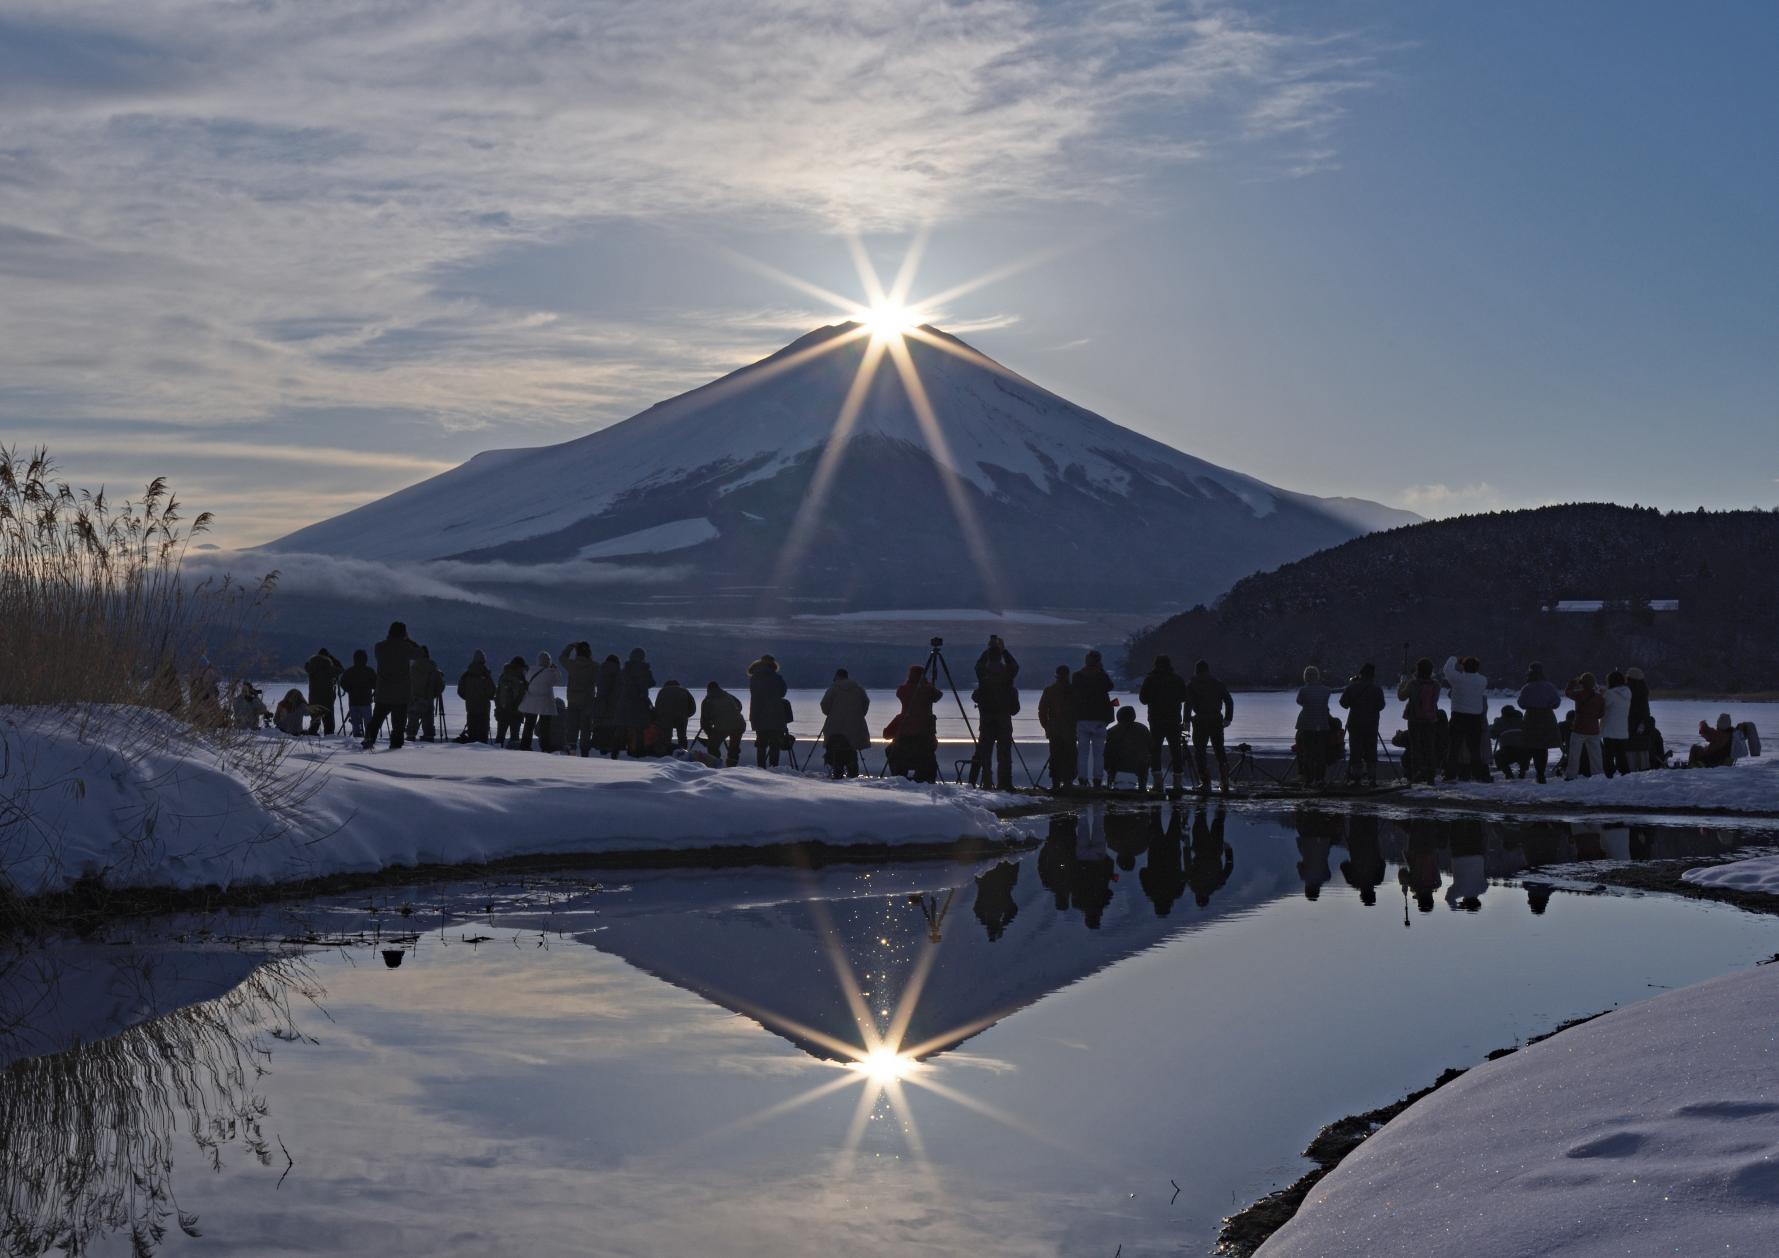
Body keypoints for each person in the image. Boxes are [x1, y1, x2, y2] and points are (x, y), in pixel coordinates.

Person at [968, 636, 1020, 790]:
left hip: (987, 719)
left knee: (985, 753)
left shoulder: (984, 675)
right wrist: (1004, 651)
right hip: (1004, 719)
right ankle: (1005, 783)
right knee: (1004, 754)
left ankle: (987, 782)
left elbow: (978, 666)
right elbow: (1015, 666)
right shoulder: (1006, 675)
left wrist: (988, 650)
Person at [363, 621, 421, 750]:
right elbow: (420, 654)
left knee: (376, 720)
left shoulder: (380, 647)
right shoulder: (406, 647)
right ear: (403, 633)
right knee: (399, 725)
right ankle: (395, 746)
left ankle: (368, 740)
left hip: (383, 691)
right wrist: (409, 640)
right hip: (401, 693)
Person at [1139, 655, 1188, 793]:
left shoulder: (1150, 679)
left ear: (1156, 665)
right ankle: (1177, 783)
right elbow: (1184, 697)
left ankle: (1158, 783)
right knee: (1176, 751)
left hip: (1156, 720)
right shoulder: (1177, 679)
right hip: (1174, 720)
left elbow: (1143, 699)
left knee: (1155, 752)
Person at [1185, 659, 1235, 796]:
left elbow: (1188, 705)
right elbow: (1229, 701)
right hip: (1216, 720)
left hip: (1200, 721)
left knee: (1200, 752)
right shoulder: (1217, 683)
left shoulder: (1192, 685)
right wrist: (1228, 718)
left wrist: (1186, 723)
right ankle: (1225, 781)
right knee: (1220, 750)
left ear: (1196, 671)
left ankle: (1205, 783)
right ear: (1208, 670)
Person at [1440, 655, 1491, 783]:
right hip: (1475, 718)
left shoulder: (1457, 679)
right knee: (1475, 748)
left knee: (1454, 747)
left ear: (1463, 667)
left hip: (1458, 716)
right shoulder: (1482, 680)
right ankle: (1478, 774)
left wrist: (1454, 659)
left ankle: (1450, 775)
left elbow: (1447, 669)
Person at [1070, 649, 1115, 788]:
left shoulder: (1077, 676)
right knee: (1098, 754)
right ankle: (1097, 780)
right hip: (1099, 720)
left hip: (1082, 718)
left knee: (1082, 753)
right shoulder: (1102, 676)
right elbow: (1110, 686)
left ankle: (1082, 779)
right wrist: (1102, 670)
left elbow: (1074, 692)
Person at [891, 663, 942, 782]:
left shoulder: (903, 690)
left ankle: (900, 775)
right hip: (924, 736)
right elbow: (938, 695)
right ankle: (925, 777)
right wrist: (927, 684)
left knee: (894, 751)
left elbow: (899, 693)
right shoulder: (927, 690)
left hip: (905, 735)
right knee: (927, 753)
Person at [819, 668, 872, 779]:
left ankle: (837, 771)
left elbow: (824, 706)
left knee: (835, 748)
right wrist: (858, 715)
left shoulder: (833, 689)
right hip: (855, 726)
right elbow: (865, 704)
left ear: (837, 677)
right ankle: (852, 772)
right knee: (852, 747)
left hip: (835, 726)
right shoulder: (859, 689)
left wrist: (833, 713)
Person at [1396, 658, 1442, 785]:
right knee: (1429, 747)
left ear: (1418, 670)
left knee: (1415, 747)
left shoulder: (1413, 684)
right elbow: (1434, 700)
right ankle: (1430, 776)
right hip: (1430, 719)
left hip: (1414, 719)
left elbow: (1401, 697)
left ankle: (1416, 774)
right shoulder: (1436, 685)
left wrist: (1402, 684)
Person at [1339, 663, 1386, 787]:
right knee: (1371, 750)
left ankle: (1356, 777)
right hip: (1371, 724)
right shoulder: (1377, 689)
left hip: (1355, 723)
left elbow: (1343, 703)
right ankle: (1372, 777)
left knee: (1356, 750)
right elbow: (1381, 705)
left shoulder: (1352, 687)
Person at [1517, 663, 1562, 783]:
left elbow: (1521, 703)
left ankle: (1523, 770)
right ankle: (1540, 774)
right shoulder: (1550, 686)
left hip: (1531, 717)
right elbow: (1556, 703)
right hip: (1547, 717)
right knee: (1542, 748)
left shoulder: (1527, 687)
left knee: (1528, 745)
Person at [1563, 672, 1607, 782]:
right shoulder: (1599, 698)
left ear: (1582, 683)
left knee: (1574, 754)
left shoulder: (1579, 695)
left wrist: (1573, 683)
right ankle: (1598, 774)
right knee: (1596, 755)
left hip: (1579, 728)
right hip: (1593, 729)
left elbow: (1567, 692)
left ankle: (1571, 775)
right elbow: (1601, 714)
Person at [748, 654, 789, 768]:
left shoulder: (754, 678)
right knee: (775, 744)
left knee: (761, 744)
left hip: (758, 714)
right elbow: (782, 693)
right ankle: (773, 768)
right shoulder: (777, 678)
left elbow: (754, 694)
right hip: (775, 715)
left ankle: (760, 767)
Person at [1295, 665, 1333, 787]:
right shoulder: (1326, 690)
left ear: (1306, 677)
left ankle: (1309, 778)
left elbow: (1299, 701)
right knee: (1321, 753)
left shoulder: (1303, 690)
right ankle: (1320, 778)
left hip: (1307, 724)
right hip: (1322, 724)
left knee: (1308, 753)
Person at [1039, 665, 1076, 790]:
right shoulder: (1073, 690)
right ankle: (1067, 782)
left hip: (1056, 729)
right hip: (1069, 729)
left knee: (1055, 756)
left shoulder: (1049, 690)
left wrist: (1046, 726)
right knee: (1069, 756)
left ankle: (1056, 783)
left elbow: (1042, 711)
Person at [518, 650, 563, 752]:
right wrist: (555, 670)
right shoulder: (550, 673)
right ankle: (545, 746)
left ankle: (525, 745)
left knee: (529, 725)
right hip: (545, 703)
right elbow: (559, 681)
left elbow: (527, 679)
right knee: (545, 727)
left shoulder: (531, 671)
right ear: (549, 661)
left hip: (531, 702)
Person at [1103, 706, 1153, 793]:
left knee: (1108, 758)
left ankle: (1110, 784)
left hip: (1118, 765)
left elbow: (1107, 751)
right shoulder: (1143, 729)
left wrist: (1107, 766)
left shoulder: (1112, 731)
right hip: (1139, 765)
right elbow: (1151, 748)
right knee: (1145, 759)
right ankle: (1142, 786)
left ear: (1119, 717)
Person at [617, 647, 656, 756]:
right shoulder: (645, 670)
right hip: (641, 701)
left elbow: (620, 682)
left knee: (627, 726)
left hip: (627, 701)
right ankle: (639, 750)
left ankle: (626, 748)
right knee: (640, 727)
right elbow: (652, 683)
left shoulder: (625, 670)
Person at [560, 642, 597, 756]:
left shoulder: (572, 665)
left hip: (573, 699)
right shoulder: (594, 666)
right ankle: (584, 751)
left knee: (572, 726)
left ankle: (571, 748)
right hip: (588, 700)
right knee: (586, 727)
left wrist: (570, 646)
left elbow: (562, 658)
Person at [700, 681, 746, 766]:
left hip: (722, 726)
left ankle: (716, 764)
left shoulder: (707, 700)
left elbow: (704, 721)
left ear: (708, 690)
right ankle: (732, 766)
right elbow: (739, 706)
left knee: (712, 746)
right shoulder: (729, 696)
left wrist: (710, 735)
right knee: (734, 748)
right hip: (739, 724)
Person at [405, 645, 445, 742]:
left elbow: (405, 685)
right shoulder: (433, 668)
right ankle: (428, 738)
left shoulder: (411, 668)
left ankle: (410, 737)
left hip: (414, 700)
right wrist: (432, 695)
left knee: (412, 723)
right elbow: (440, 686)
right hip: (428, 700)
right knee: (428, 723)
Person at [456, 650, 496, 744]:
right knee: (483, 733)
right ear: (484, 660)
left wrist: (469, 698)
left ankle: (471, 746)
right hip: (483, 708)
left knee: (472, 730)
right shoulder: (485, 674)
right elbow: (492, 691)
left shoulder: (467, 674)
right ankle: (482, 747)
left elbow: (460, 691)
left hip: (470, 707)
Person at [338, 649, 377, 740]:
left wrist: (349, 690)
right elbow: (376, 684)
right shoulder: (369, 671)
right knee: (368, 722)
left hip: (353, 701)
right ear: (366, 659)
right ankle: (368, 737)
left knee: (355, 723)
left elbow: (342, 682)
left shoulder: (349, 671)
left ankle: (357, 737)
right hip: (366, 701)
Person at [303, 647, 342, 735]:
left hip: (313, 698)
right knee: (328, 723)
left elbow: (306, 666)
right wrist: (332, 658)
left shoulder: (311, 666)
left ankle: (312, 736)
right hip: (327, 698)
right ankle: (328, 737)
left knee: (315, 720)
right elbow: (340, 669)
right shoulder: (329, 667)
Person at [1601, 670, 1634, 777]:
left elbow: (1602, 707)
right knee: (1621, 754)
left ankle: (1609, 775)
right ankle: (1625, 773)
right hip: (1622, 728)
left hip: (1609, 728)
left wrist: (1601, 694)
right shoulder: (1627, 692)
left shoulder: (1609, 694)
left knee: (1608, 754)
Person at [1489, 704, 1534, 778]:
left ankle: (1508, 773)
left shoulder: (1500, 722)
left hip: (1507, 751)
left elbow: (1492, 735)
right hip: (1524, 750)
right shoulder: (1522, 721)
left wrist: (1495, 724)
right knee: (1526, 753)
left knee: (1498, 756)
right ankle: (1522, 771)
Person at [495, 656, 528, 748]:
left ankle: (495, 753)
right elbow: (525, 691)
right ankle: (513, 755)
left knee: (500, 737)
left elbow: (498, 693)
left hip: (502, 710)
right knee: (514, 738)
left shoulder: (504, 675)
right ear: (519, 667)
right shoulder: (520, 678)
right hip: (516, 712)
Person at [593, 653, 623, 758]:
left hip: (600, 703)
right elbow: (619, 690)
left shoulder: (600, 671)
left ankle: (600, 747)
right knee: (611, 727)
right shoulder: (619, 673)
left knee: (601, 726)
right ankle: (610, 748)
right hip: (614, 704)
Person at [1625, 666, 1654, 771]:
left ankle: (1631, 771)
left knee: (1630, 752)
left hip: (1629, 724)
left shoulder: (1626, 690)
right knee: (1642, 752)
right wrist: (1644, 723)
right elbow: (1646, 711)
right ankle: (1643, 771)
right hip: (1641, 726)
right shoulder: (1643, 691)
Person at [653, 678, 696, 750]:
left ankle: (667, 752)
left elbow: (657, 707)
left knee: (667, 737)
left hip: (666, 717)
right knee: (682, 736)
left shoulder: (662, 691)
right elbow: (693, 707)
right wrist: (686, 715)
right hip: (682, 716)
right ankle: (683, 751)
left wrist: (660, 718)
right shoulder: (684, 691)